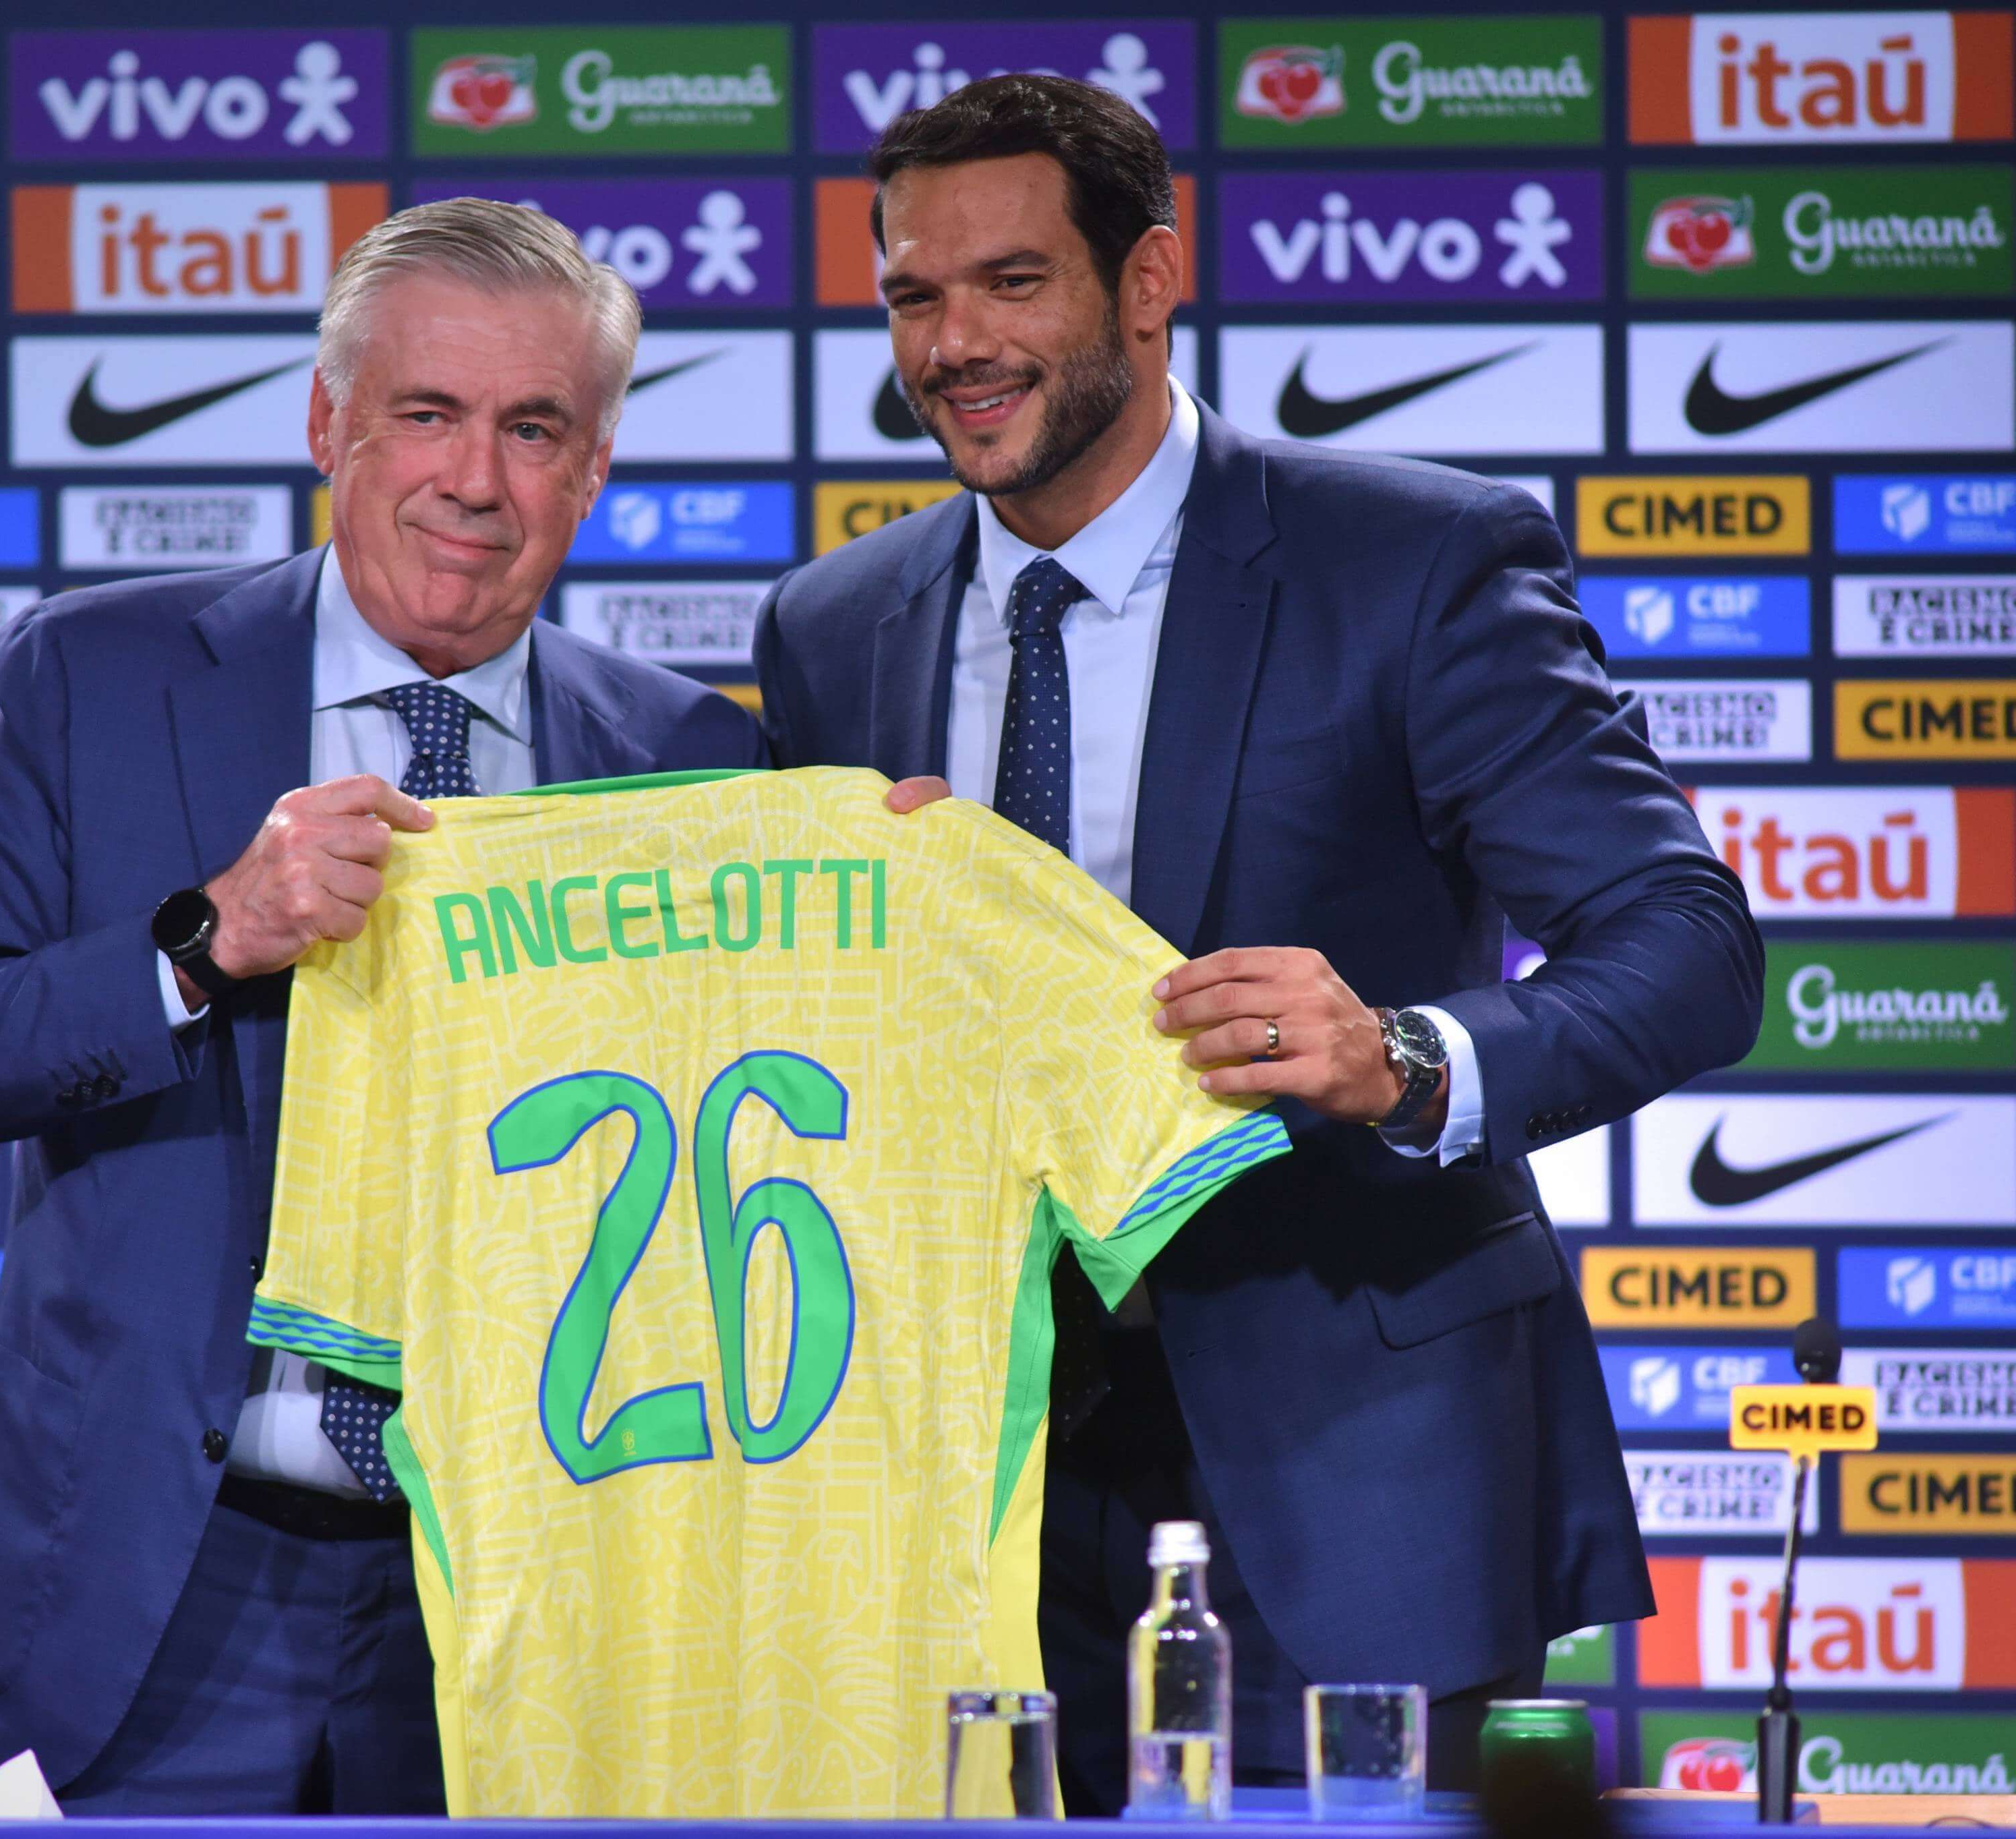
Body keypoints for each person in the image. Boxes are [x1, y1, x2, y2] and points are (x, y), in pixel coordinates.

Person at [751, 76, 1761, 1802]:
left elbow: (1682, 942)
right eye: (913, 295)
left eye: (1010, 283)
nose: (953, 345)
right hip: (970, 1487)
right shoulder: (832, 624)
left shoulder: (1416, 561)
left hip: (1357, 1455)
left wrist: (1405, 1055)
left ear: (1149, 278)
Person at [0, 198, 763, 1815]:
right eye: (426, 413)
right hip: (159, 1588)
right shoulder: (93, 679)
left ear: (598, 466)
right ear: (328, 420)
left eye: (535, 427)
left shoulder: (693, 759)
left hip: (529, 1599)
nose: (476, 480)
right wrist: (206, 935)